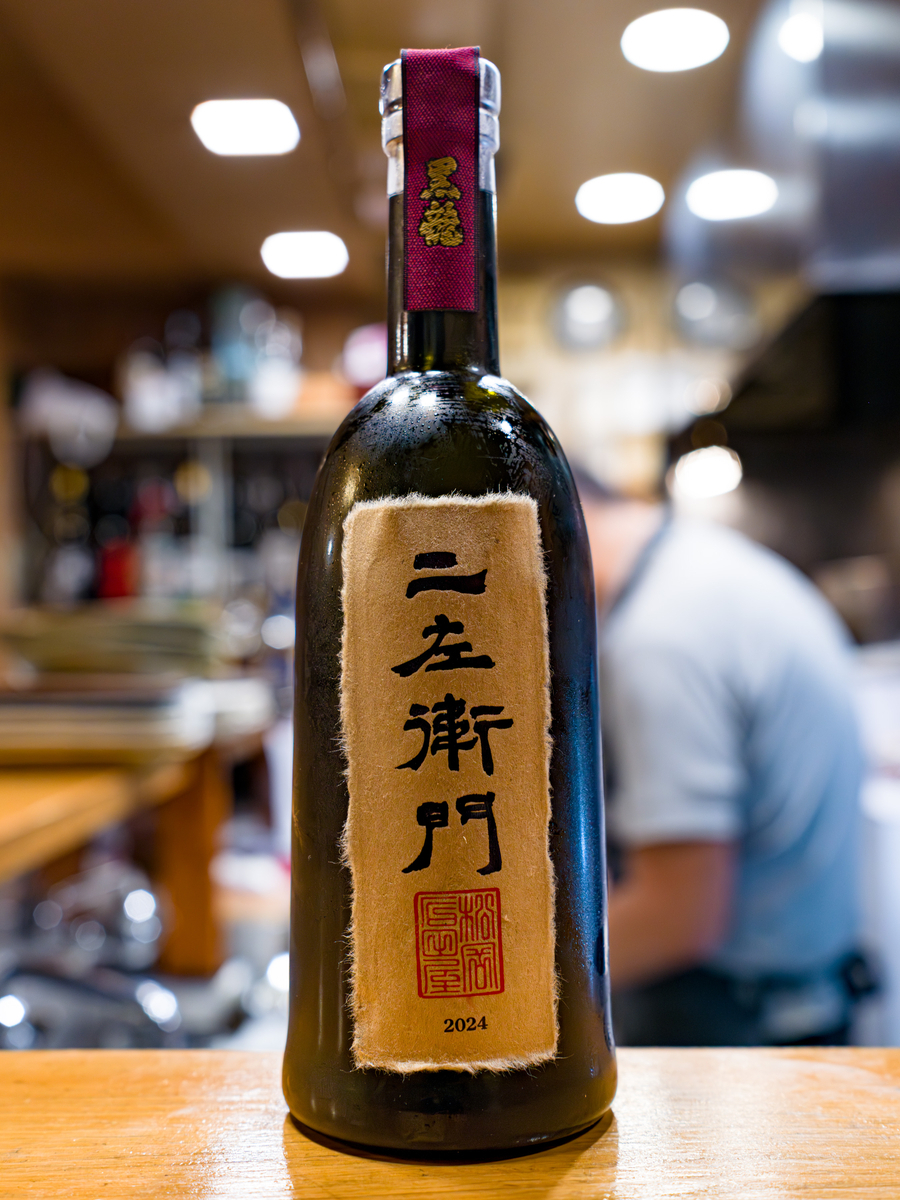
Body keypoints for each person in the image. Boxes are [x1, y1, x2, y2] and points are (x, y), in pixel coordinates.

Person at [576, 473, 868, 1045]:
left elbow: (678, 914)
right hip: (806, 994)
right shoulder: (706, 569)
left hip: (747, 1026)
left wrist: (520, 990)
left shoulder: (660, 637)